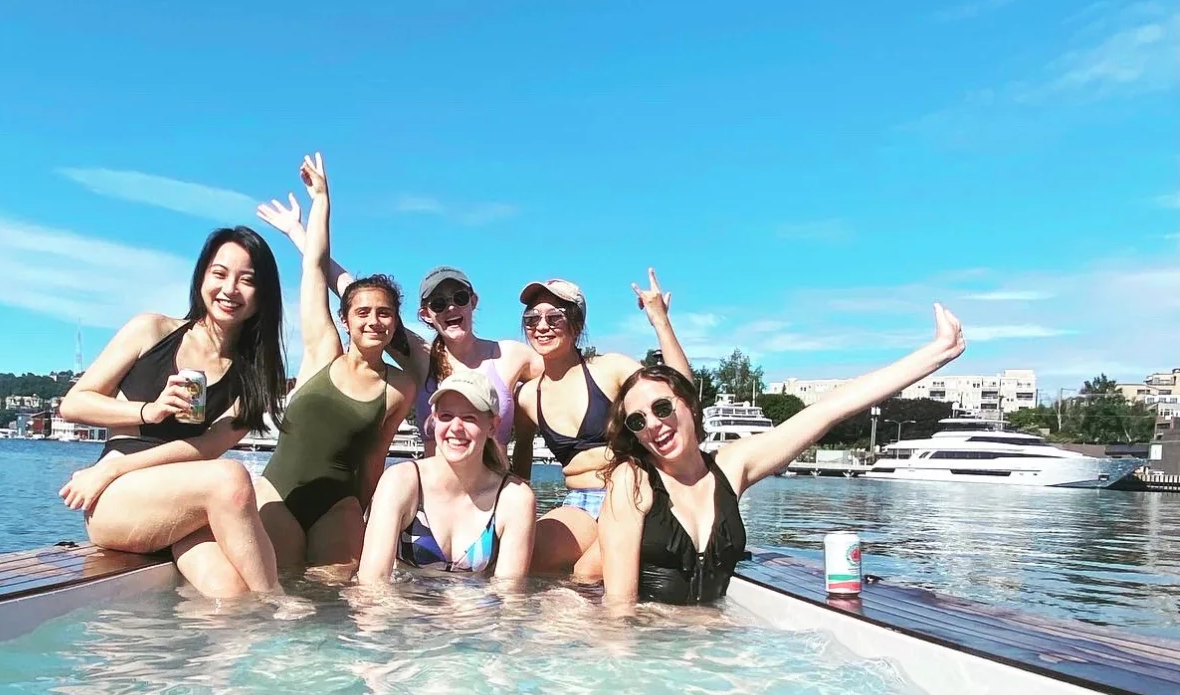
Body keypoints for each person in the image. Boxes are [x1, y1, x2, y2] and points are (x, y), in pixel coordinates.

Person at [599, 304, 967, 606]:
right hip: (652, 643)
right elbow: (619, 610)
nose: (653, 424)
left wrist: (937, 353)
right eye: (637, 419)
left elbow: (828, 409)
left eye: (662, 407)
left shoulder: (732, 466)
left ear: (691, 408)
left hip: (710, 642)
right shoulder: (630, 481)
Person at [56, 227, 288, 599]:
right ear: (201, 278)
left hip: (176, 499)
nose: (230, 289)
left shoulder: (255, 378)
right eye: (219, 273)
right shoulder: (152, 330)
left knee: (231, 593)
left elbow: (208, 448)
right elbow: (74, 403)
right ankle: (278, 607)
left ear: (263, 296)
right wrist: (150, 411)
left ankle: (217, 654)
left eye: (247, 280)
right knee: (230, 478)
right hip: (116, 499)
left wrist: (113, 466)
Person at [254, 197, 542, 475]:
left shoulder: (510, 355)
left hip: (496, 501)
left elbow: (565, 376)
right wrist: (298, 233)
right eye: (438, 304)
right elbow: (350, 289)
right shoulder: (422, 357)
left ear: (473, 301)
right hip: (436, 504)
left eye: (459, 297)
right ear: (426, 315)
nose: (451, 307)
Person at [255, 153, 415, 569]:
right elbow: (313, 265)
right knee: (279, 599)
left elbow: (375, 458)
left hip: (339, 508)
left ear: (395, 323)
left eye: (384, 313)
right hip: (279, 494)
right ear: (345, 320)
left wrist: (370, 512)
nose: (374, 321)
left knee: (335, 610)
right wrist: (322, 201)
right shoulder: (322, 349)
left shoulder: (399, 387)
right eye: (362, 312)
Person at [513, 270, 691, 577]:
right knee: (527, 558)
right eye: (532, 319)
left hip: (630, 497)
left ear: (577, 324)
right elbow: (522, 461)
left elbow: (681, 393)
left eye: (554, 317)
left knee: (586, 573)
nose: (542, 326)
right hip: (578, 503)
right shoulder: (528, 396)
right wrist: (513, 513)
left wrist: (660, 321)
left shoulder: (610, 369)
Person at [358, 369, 536, 583]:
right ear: (434, 421)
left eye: (469, 418)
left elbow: (509, 596)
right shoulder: (401, 481)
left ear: (492, 426)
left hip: (476, 612)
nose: (456, 427)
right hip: (403, 610)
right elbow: (372, 583)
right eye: (446, 416)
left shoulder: (515, 498)